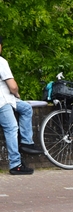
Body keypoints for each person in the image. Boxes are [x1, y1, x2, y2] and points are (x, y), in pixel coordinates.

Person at [0, 36, 43, 175]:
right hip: (3, 101)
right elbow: (12, 86)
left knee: (25, 108)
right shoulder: (1, 62)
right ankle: (15, 164)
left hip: (7, 99)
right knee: (11, 128)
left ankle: (26, 142)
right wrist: (17, 94)